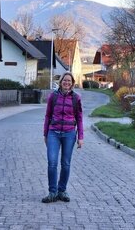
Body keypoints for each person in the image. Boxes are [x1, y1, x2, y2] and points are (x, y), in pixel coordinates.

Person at [42, 71, 83, 203]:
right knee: (52, 163)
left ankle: (62, 191)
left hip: (69, 134)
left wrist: (80, 137)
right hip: (53, 133)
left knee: (65, 164)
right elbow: (48, 115)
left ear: (72, 83)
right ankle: (52, 192)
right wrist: (45, 134)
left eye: (69, 81)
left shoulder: (76, 98)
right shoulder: (53, 97)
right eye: (64, 80)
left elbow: (79, 118)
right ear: (61, 82)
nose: (66, 82)